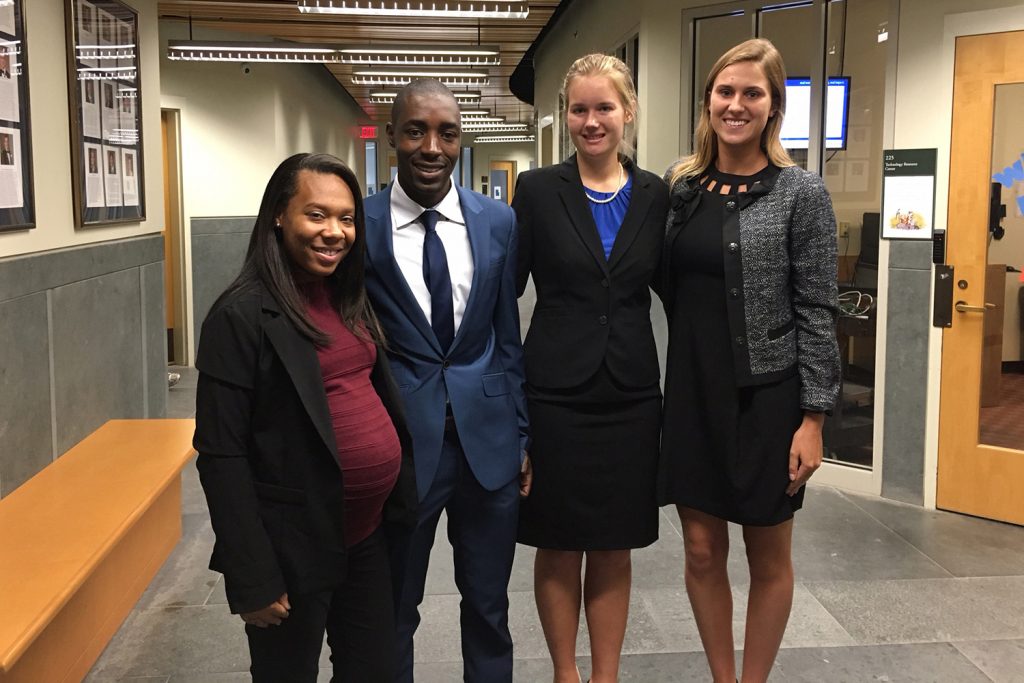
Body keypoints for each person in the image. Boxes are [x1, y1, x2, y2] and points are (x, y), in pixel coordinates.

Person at [193, 153, 418, 682]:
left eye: (346, 218)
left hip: (364, 538)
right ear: (278, 215)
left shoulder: (347, 298)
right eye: (316, 215)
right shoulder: (240, 316)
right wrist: (253, 577)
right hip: (292, 548)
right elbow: (221, 454)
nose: (335, 232)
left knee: (376, 672)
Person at [659, 38, 841, 683]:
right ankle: (722, 676)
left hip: (769, 400)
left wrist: (813, 419)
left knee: (767, 554)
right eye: (725, 91)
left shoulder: (801, 193)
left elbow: (818, 309)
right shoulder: (680, 187)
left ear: (773, 108)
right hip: (691, 395)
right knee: (702, 551)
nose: (736, 105)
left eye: (752, 94)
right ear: (708, 101)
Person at [362, 79, 531, 683]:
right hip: (403, 445)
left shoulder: (498, 222)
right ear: (391, 138)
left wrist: (521, 434)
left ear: (462, 140)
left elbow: (506, 338)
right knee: (393, 608)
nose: (431, 146)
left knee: (488, 607)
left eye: (447, 132)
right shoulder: (362, 224)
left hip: (488, 446)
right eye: (415, 130)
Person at [512, 54, 668, 683]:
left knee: (613, 543)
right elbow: (504, 298)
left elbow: (679, 293)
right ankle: (564, 672)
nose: (592, 121)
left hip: (630, 395)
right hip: (554, 394)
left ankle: (606, 674)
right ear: (565, 116)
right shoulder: (538, 191)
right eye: (580, 109)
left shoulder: (658, 195)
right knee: (557, 541)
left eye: (605, 107)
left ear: (627, 111)